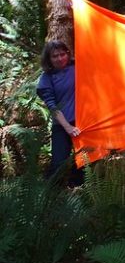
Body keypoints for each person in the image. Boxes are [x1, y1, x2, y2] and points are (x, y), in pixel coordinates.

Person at [36, 40, 83, 186]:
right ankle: (48, 198)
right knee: (58, 164)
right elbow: (53, 107)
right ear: (49, 59)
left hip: (83, 123)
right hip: (62, 126)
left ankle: (78, 196)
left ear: (68, 54)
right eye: (55, 56)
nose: (60, 58)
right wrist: (68, 128)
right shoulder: (46, 79)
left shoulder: (78, 67)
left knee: (83, 163)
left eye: (62, 54)